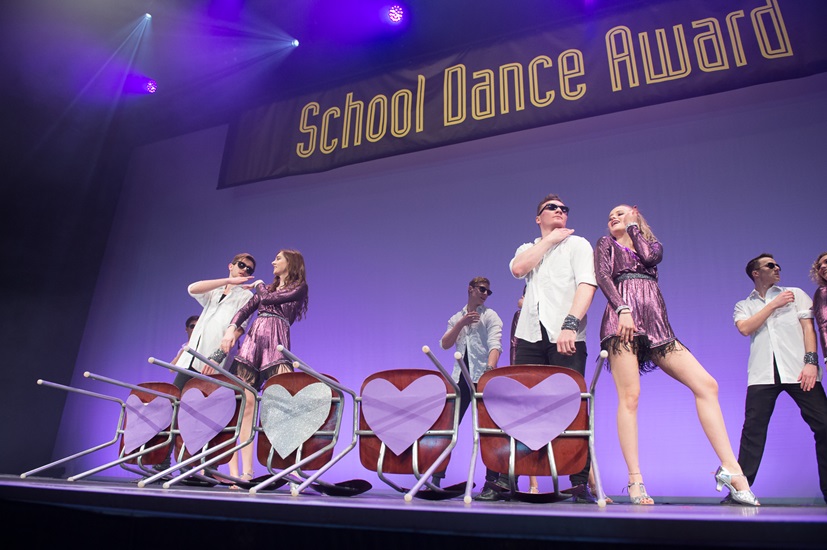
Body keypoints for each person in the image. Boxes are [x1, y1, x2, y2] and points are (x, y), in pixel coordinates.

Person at [594, 204, 758, 506]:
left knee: (707, 385)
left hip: (657, 326)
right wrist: (622, 309)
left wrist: (633, 227)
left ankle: (730, 468)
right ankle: (635, 479)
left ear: (635, 213)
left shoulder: (651, 244)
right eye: (610, 217)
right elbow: (603, 277)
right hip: (622, 323)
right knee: (630, 397)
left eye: (620, 212)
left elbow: (650, 257)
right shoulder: (606, 244)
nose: (613, 218)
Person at [500, 193, 598, 503]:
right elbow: (518, 269)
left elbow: (587, 285)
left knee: (571, 408)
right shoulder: (527, 248)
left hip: (565, 334)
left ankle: (579, 483)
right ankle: (504, 479)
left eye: (563, 209)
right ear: (538, 218)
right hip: (530, 335)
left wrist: (570, 324)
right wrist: (549, 240)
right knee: (518, 406)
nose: (559, 211)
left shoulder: (578, 245)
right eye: (551, 208)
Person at [733, 253, 827, 504]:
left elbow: (808, 329)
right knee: (752, 431)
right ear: (756, 273)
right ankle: (740, 491)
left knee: (825, 425)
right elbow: (745, 328)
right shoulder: (744, 305)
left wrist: (811, 362)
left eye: (777, 265)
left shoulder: (795, 294)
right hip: (762, 374)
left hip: (799, 371)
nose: (777, 268)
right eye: (770, 265)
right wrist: (773, 305)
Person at [220, 249, 309, 484]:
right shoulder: (266, 289)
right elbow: (244, 311)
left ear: (291, 262)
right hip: (252, 345)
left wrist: (259, 284)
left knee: (285, 403)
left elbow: (268, 300)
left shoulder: (298, 287)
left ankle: (290, 468)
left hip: (276, 345)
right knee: (246, 407)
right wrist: (231, 329)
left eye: (278, 258)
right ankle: (245, 473)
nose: (273, 262)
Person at [437, 277, 502, 488]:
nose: (485, 294)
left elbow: (495, 345)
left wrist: (489, 371)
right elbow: (445, 344)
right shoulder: (456, 318)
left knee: (489, 430)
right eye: (482, 289)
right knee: (448, 429)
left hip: (482, 379)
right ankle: (435, 479)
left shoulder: (490, 316)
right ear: (470, 289)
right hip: (460, 380)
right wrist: (461, 323)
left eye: (488, 292)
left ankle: (492, 482)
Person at [172, 254, 257, 391]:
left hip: (212, 358)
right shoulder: (215, 291)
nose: (244, 270)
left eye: (249, 270)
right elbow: (192, 289)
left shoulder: (246, 296)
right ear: (231, 266)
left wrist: (217, 357)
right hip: (192, 355)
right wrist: (228, 281)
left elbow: (239, 330)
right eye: (241, 265)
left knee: (202, 400)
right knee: (175, 397)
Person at [811, 252, 827, 364]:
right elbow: (824, 326)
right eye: (819, 266)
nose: (822, 267)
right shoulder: (822, 292)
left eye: (826, 262)